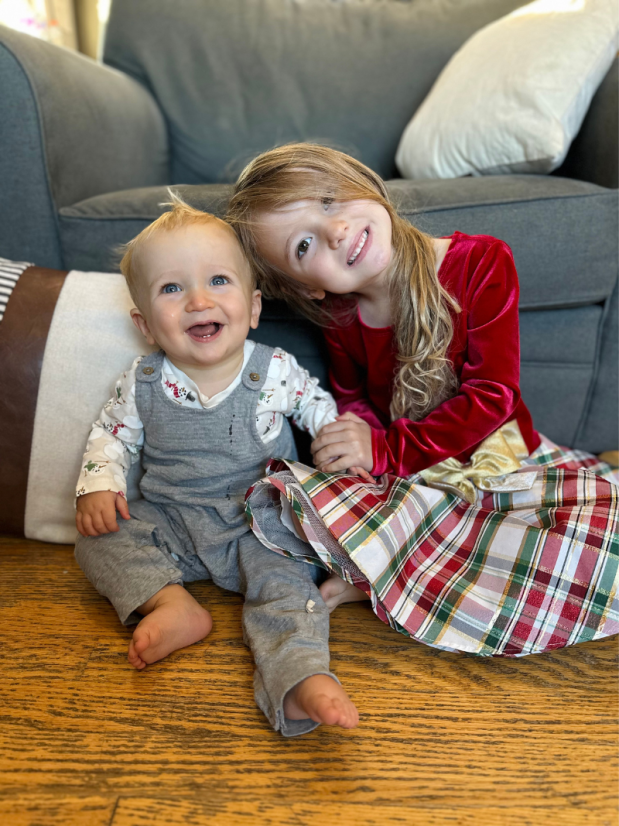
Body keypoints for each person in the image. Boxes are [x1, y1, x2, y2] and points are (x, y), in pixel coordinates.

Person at [226, 143, 619, 658]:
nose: (336, 230)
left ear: (361, 181)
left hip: (488, 454)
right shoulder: (341, 314)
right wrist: (360, 444)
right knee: (305, 498)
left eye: (328, 199)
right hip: (405, 465)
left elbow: (493, 397)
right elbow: (354, 396)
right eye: (304, 247)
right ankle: (381, 570)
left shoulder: (480, 262)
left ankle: (383, 571)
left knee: (584, 528)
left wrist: (387, 449)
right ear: (307, 289)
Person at [73, 194, 360, 736]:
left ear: (253, 308)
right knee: (96, 539)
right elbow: (110, 436)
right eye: (172, 288)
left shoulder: (272, 369)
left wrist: (334, 436)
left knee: (288, 588)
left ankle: (300, 677)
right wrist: (98, 484)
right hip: (172, 520)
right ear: (146, 324)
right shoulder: (144, 381)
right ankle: (173, 603)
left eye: (219, 281)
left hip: (260, 525)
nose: (199, 300)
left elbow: (315, 404)